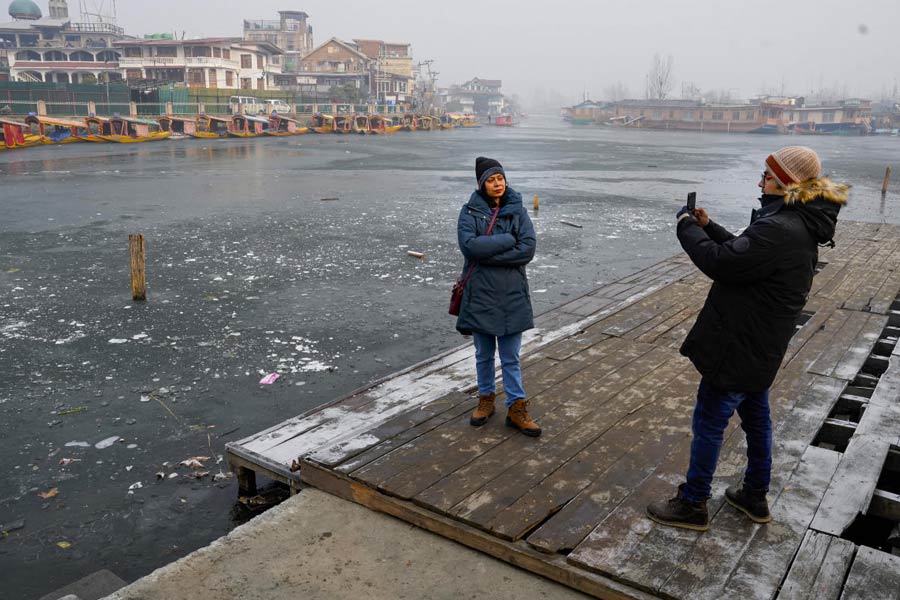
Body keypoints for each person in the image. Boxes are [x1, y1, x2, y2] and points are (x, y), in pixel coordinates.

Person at [646, 146, 848, 531]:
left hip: (738, 345)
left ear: (787, 183)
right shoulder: (795, 222)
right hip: (762, 346)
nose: (760, 181)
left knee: (709, 420)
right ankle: (755, 496)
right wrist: (709, 227)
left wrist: (686, 227)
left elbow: (721, 263)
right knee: (757, 419)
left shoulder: (779, 227)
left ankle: (693, 503)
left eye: (767, 177)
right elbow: (745, 254)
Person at [456, 157, 540, 437]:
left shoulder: (519, 211)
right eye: (491, 180)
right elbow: (470, 247)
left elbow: (527, 250)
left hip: (512, 294)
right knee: (483, 354)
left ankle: (516, 407)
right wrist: (507, 240)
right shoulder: (469, 212)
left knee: (511, 356)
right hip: (479, 294)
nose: (497, 184)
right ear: (482, 183)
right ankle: (486, 399)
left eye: (500, 178)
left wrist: (488, 253)